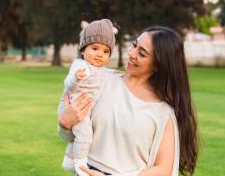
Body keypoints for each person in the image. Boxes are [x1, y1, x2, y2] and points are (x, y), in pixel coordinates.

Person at [58, 26, 199, 176]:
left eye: (142, 53)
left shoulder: (163, 112)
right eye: (134, 45)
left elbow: (164, 170)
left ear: (159, 64)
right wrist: (65, 124)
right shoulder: (99, 80)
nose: (131, 53)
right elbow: (70, 135)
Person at [59, 19, 119, 176]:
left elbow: (106, 75)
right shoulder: (81, 66)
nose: (100, 54)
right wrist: (76, 78)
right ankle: (80, 164)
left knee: (80, 135)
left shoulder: (100, 69)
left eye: (106, 51)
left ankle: (69, 160)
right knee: (85, 134)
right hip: (74, 106)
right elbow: (68, 85)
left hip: (83, 108)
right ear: (83, 49)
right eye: (95, 48)